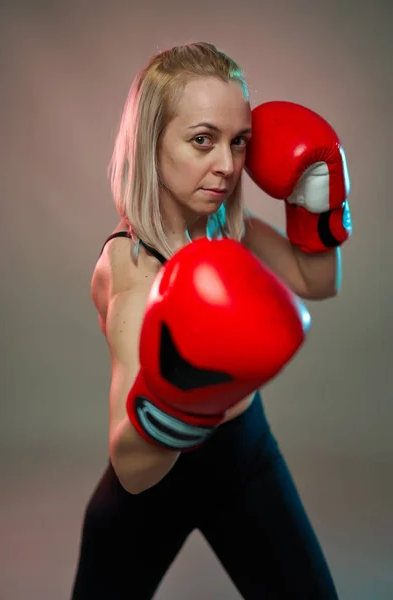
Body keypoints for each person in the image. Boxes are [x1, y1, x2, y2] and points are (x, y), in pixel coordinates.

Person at [70, 41, 351, 599]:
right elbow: (132, 467)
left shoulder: (222, 226)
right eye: (203, 140)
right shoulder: (132, 272)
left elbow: (318, 281)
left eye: (238, 141)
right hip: (154, 489)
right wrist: (189, 395)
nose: (226, 165)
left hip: (246, 459)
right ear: (153, 143)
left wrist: (313, 203)